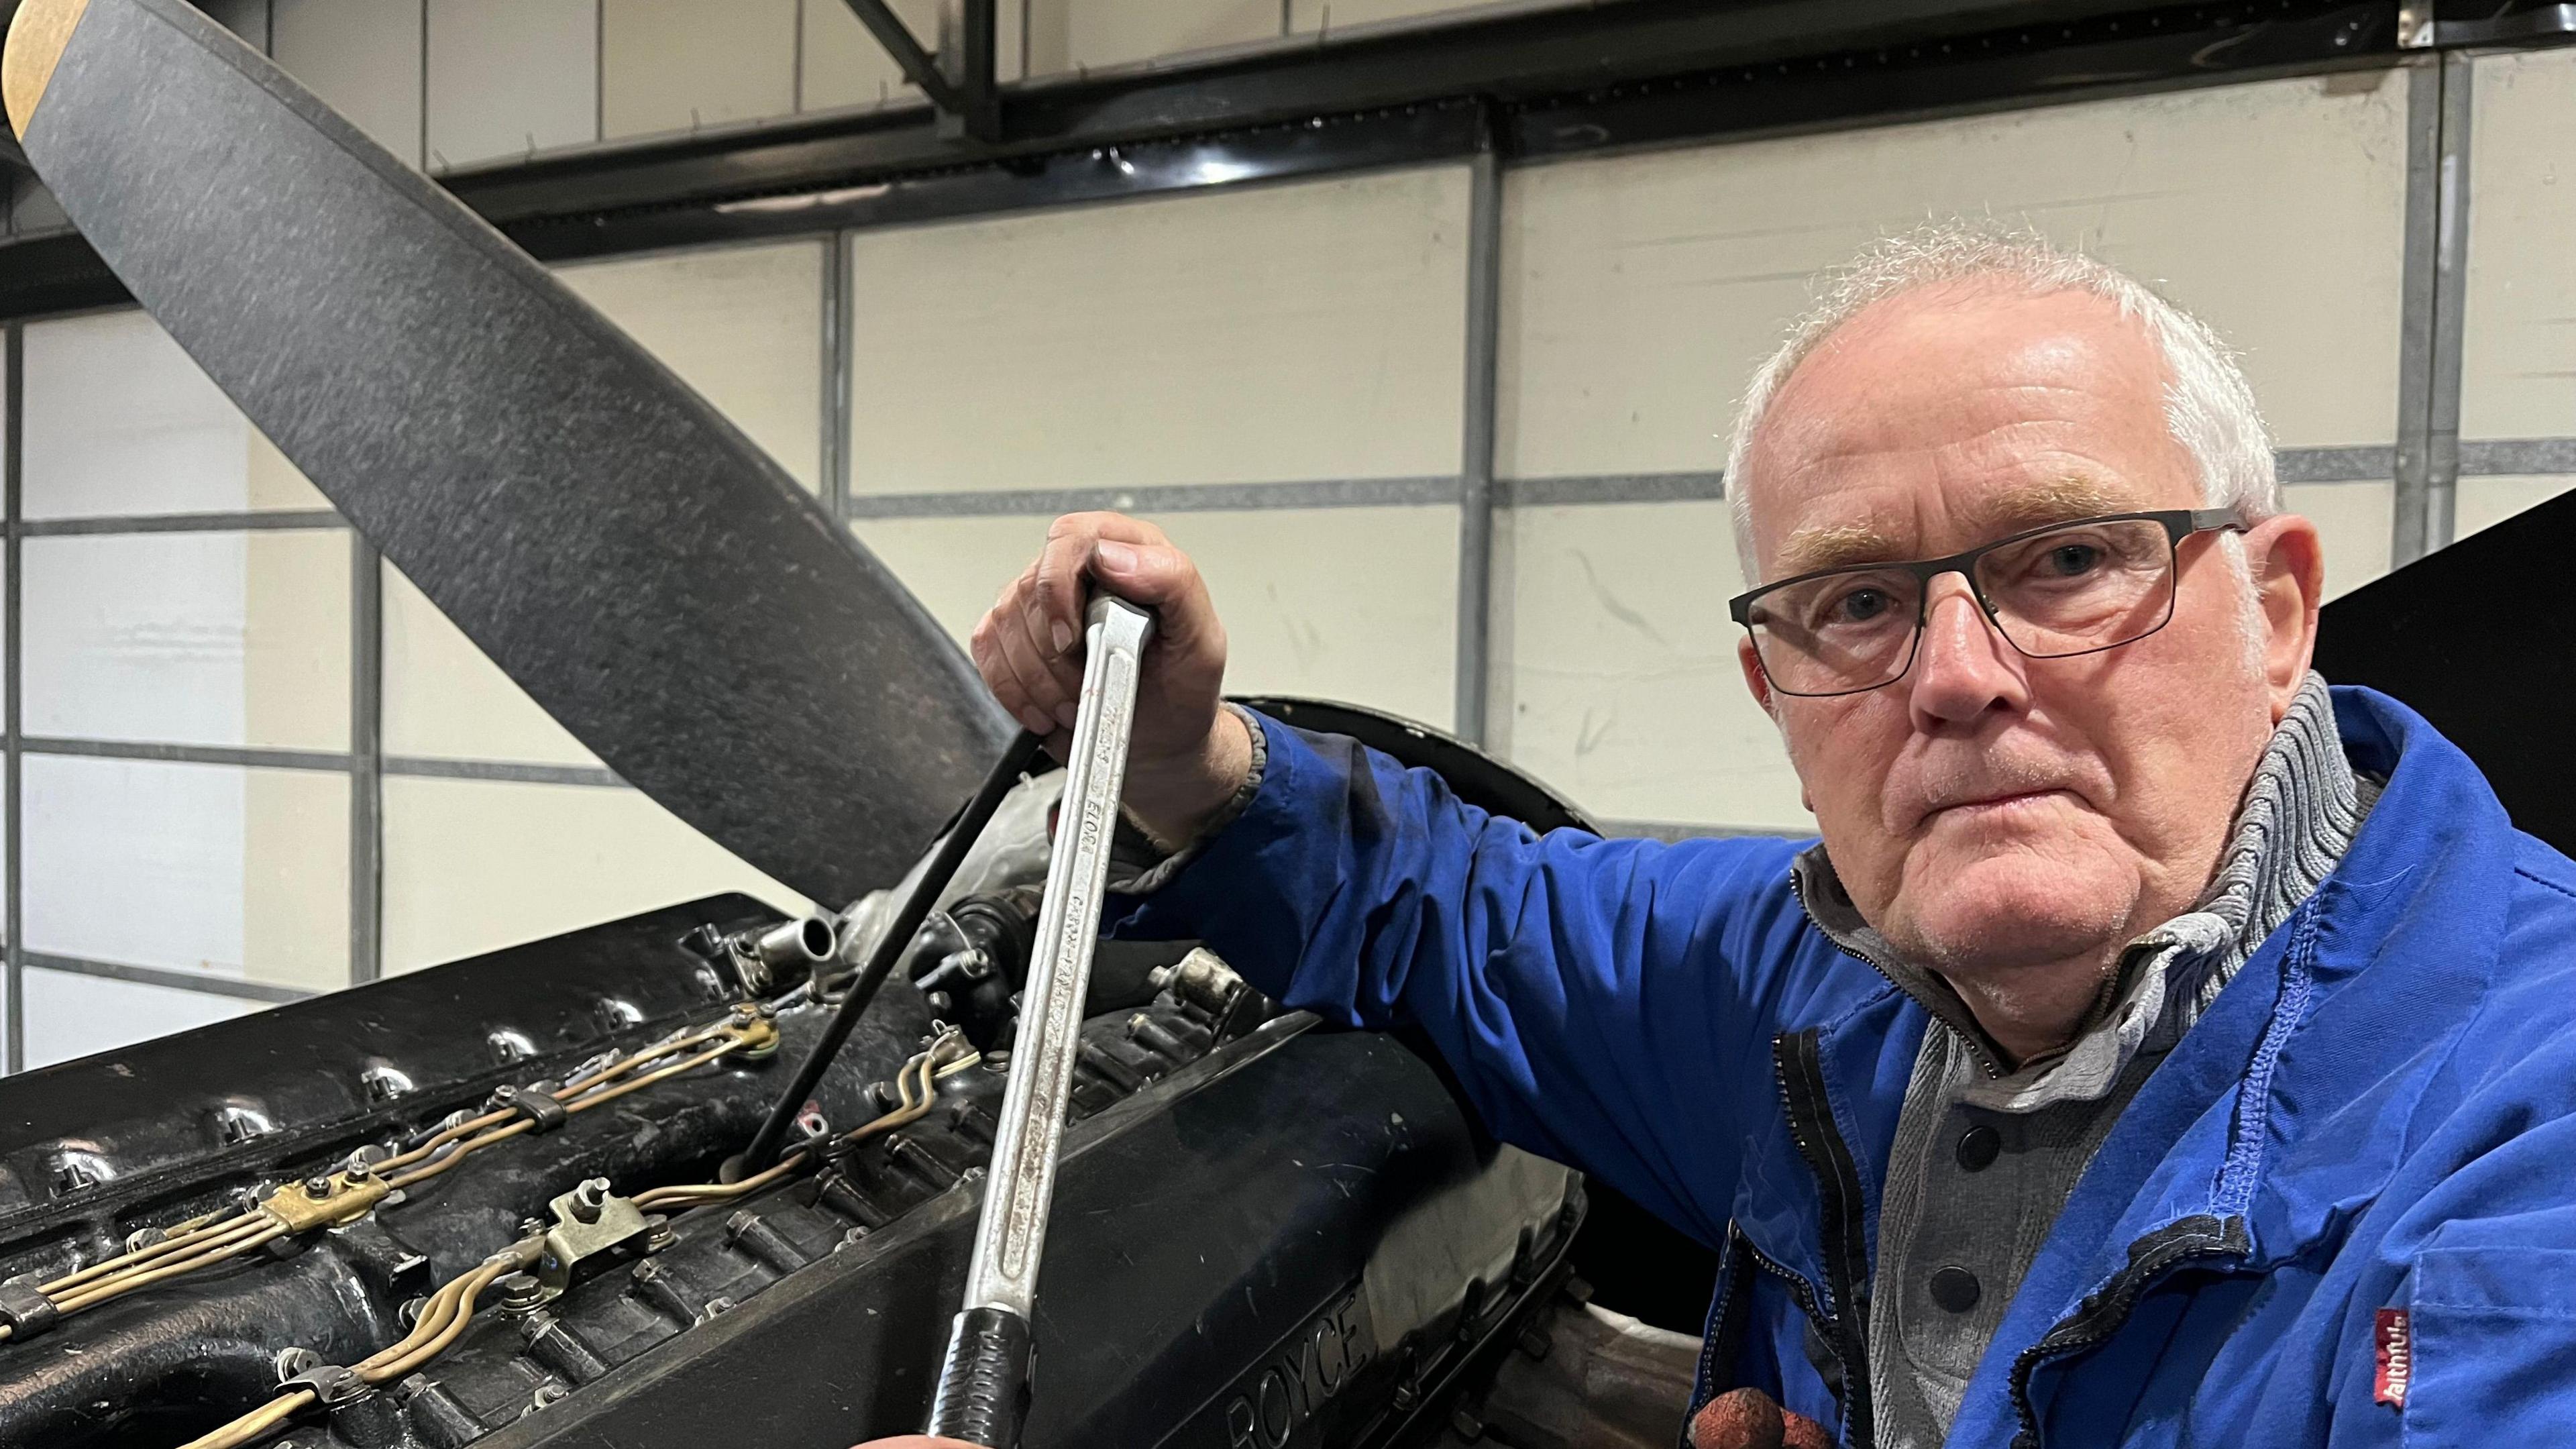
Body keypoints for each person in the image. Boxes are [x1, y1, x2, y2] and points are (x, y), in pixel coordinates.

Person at [861, 227, 2576, 1448]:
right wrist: (1177, 750)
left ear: (2276, 610)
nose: (1961, 679)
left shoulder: (2529, 1136)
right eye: (1857, 601)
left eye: (2068, 560)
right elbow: (1457, 910)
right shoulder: (1820, 1001)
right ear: (1775, 692)